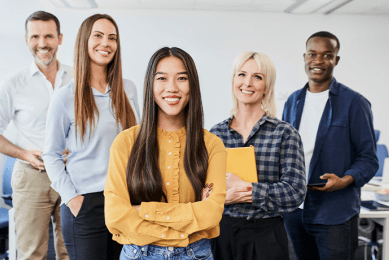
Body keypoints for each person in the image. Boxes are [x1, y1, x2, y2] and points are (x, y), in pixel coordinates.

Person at [104, 47, 227, 260]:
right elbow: (115, 216)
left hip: (195, 255)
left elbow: (211, 214)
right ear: (150, 85)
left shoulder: (212, 145)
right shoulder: (125, 142)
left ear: (192, 86)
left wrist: (143, 211)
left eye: (181, 78)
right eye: (162, 78)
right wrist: (186, 225)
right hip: (138, 255)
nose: (172, 88)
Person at [42, 14, 139, 259]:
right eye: (98, 35)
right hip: (84, 205)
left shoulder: (129, 89)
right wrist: (72, 198)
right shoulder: (65, 96)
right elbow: (51, 155)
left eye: (112, 38)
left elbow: (138, 145)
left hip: (123, 202)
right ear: (84, 41)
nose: (105, 43)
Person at [282, 31, 379, 260]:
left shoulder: (354, 103)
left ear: (336, 60)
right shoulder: (292, 101)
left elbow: (368, 158)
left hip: (335, 214)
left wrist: (344, 180)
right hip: (296, 212)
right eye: (313, 54)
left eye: (327, 55)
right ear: (304, 57)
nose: (318, 61)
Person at [0, 11, 70, 260]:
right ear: (26, 40)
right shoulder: (13, 84)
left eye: (48, 36)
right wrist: (24, 153)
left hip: (73, 174)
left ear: (59, 38)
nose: (42, 43)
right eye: (35, 36)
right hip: (33, 176)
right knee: (31, 254)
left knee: (72, 252)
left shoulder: (78, 78)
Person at [210, 51, 306, 260]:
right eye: (242, 74)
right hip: (221, 234)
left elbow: (295, 192)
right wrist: (222, 196)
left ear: (267, 86)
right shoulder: (214, 135)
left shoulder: (285, 134)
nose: (248, 83)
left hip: (266, 236)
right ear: (234, 80)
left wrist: (246, 189)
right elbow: (202, 189)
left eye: (258, 77)